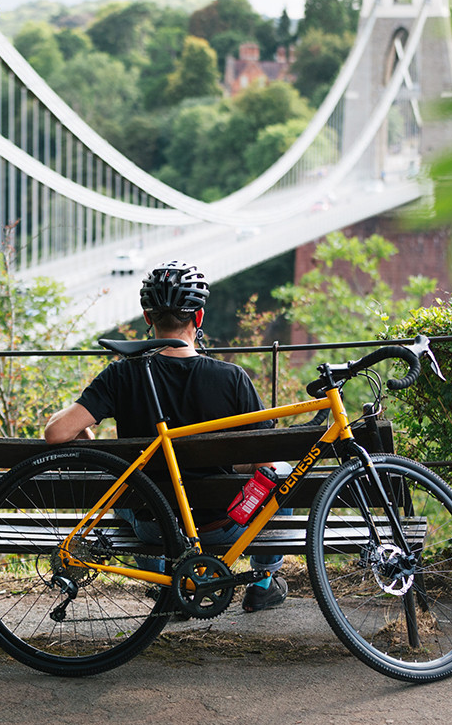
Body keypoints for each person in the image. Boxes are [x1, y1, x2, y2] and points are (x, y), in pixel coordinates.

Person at [44, 259, 288, 612]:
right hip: (220, 525)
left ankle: (167, 588)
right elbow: (265, 466)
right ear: (199, 318)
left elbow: (56, 432)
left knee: (130, 501)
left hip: (154, 527)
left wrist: (87, 430)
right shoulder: (233, 378)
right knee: (284, 474)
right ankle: (263, 584)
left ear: (147, 317)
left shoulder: (121, 375)